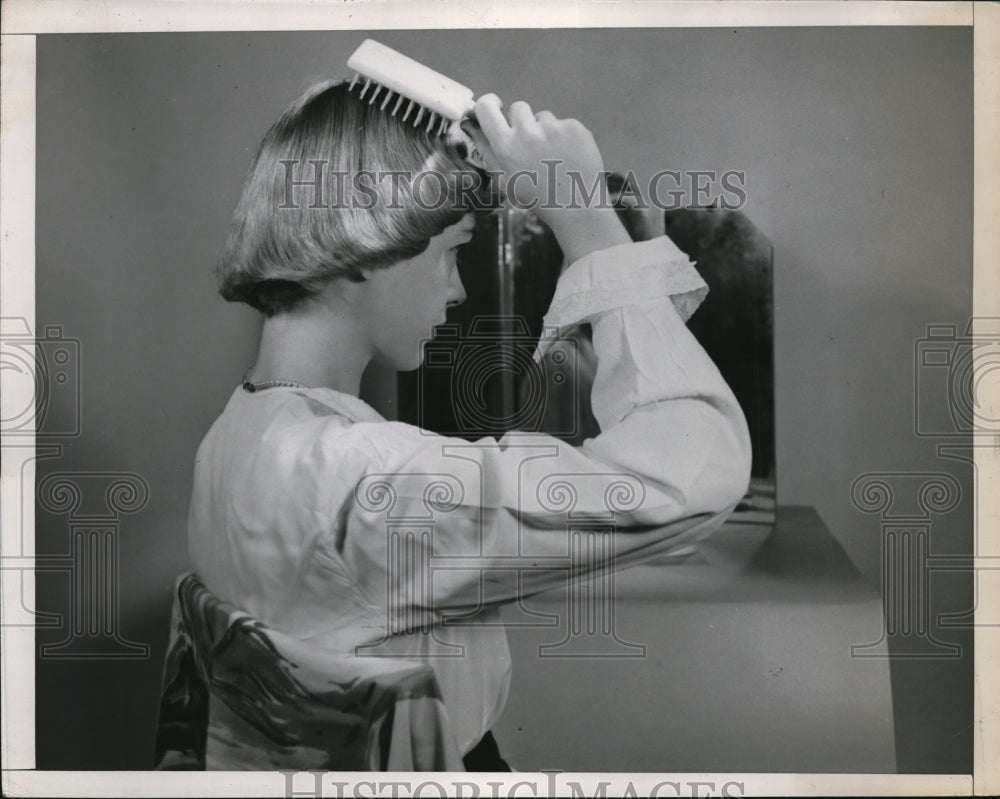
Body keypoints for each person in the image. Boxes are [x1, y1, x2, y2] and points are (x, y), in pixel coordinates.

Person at [188, 78, 752, 770]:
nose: (458, 289)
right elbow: (691, 475)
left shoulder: (232, 437)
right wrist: (589, 223)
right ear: (366, 240)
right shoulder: (363, 483)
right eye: (452, 250)